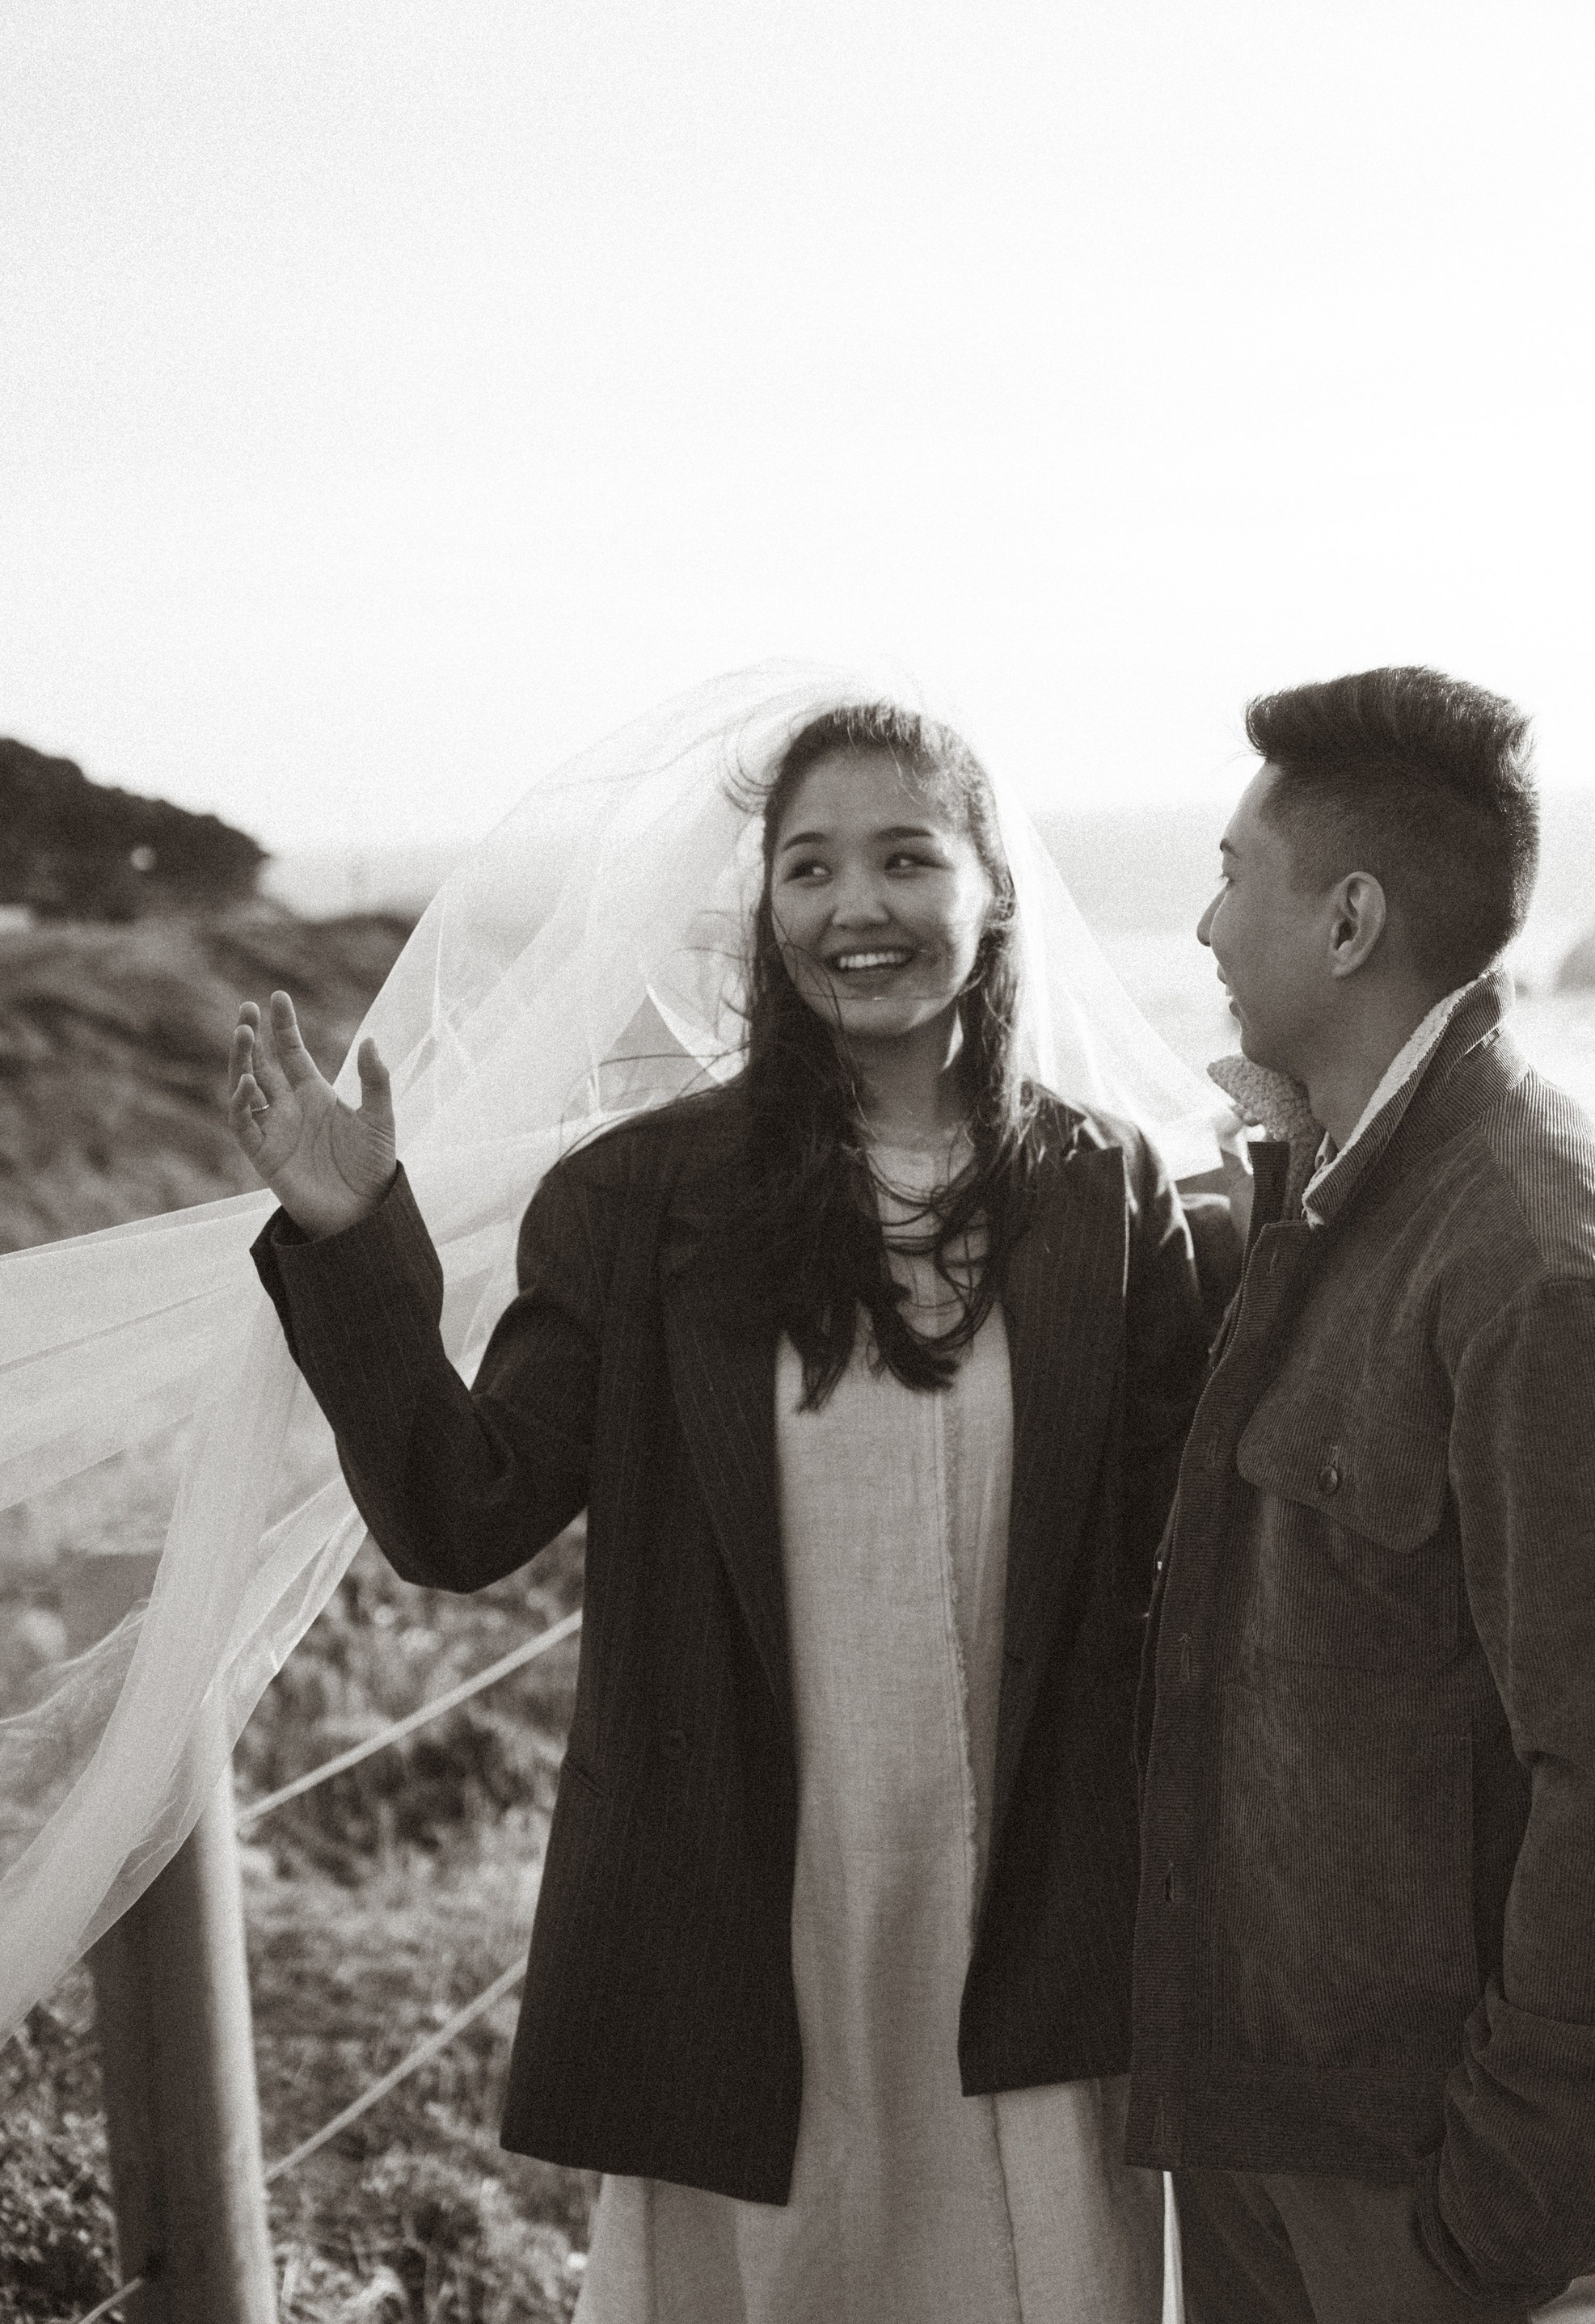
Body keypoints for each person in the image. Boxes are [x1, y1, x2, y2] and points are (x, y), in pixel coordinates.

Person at [229, 697, 1209, 2324]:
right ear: (764, 916)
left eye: (906, 858)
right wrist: (351, 1240)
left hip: (1031, 1944)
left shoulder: (1101, 1193)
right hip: (743, 1933)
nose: (854, 909)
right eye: (808, 869)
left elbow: (1188, 1573)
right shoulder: (638, 1200)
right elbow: (463, 1518)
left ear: (994, 892)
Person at [1128, 666, 1595, 2324]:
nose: (1200, 927)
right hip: (1281, 2129)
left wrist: (1504, 2216)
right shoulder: (1339, 1195)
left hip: (1426, 2193)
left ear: (1345, 922)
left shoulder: (1535, 1269)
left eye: (1225, 872)